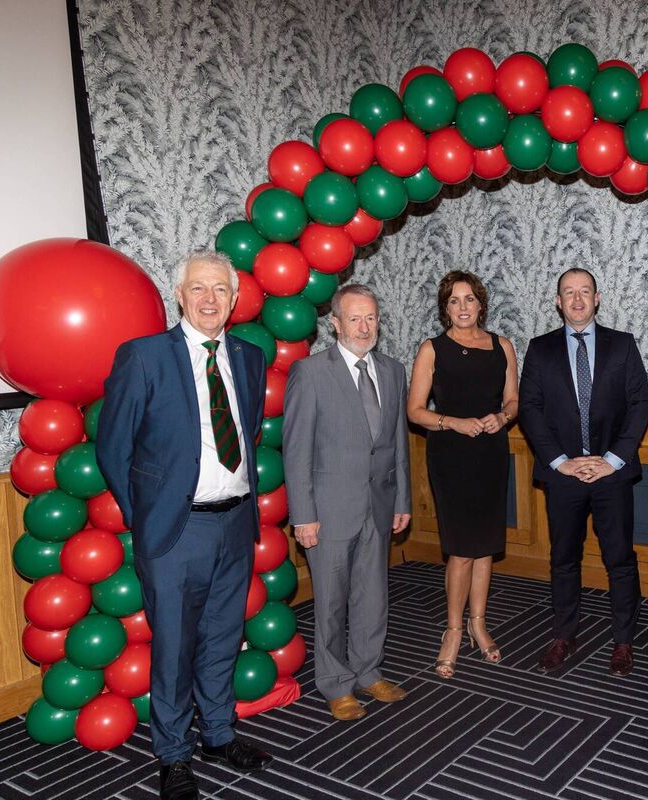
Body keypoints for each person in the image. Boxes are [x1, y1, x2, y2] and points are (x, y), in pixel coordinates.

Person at [96, 251, 273, 800]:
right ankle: (173, 755)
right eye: (198, 289)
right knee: (173, 645)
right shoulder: (144, 357)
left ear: (235, 299)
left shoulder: (248, 356)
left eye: (221, 290)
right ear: (179, 295)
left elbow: (248, 435)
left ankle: (219, 734)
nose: (209, 300)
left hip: (237, 522)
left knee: (223, 637)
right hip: (176, 531)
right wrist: (146, 516)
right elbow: (113, 447)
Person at [282, 284, 411, 721]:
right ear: (334, 323)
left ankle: (368, 670)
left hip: (379, 505)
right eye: (354, 318)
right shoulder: (310, 373)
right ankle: (336, 684)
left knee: (373, 597)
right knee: (332, 603)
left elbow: (397, 445)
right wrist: (303, 516)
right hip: (329, 513)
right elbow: (296, 451)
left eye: (371, 318)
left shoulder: (393, 371)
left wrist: (402, 500)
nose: (364, 327)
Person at [518, 267, 648, 676]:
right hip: (563, 475)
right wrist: (562, 462)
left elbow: (640, 405)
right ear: (558, 302)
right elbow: (530, 410)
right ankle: (564, 634)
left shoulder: (623, 345)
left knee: (620, 559)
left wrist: (612, 460)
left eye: (585, 291)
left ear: (597, 298)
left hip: (611, 473)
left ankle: (624, 641)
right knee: (563, 558)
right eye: (568, 293)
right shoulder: (539, 350)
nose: (577, 299)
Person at [406, 270, 519, 678]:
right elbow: (415, 410)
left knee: (486, 544)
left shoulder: (501, 346)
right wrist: (453, 422)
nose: (463, 307)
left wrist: (501, 418)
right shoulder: (432, 349)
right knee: (460, 548)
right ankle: (453, 630)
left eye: (469, 299)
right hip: (450, 455)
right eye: (454, 301)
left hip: (490, 452)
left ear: (481, 303)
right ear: (445, 308)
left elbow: (512, 401)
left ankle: (479, 623)